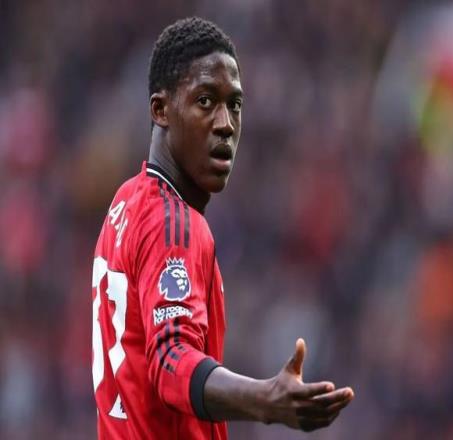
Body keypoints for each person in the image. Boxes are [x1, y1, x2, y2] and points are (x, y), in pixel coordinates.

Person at [91, 16, 354, 439]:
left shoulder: (126, 202)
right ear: (160, 110)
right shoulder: (173, 224)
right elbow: (170, 359)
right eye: (205, 101)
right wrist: (265, 399)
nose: (225, 124)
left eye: (234, 104)